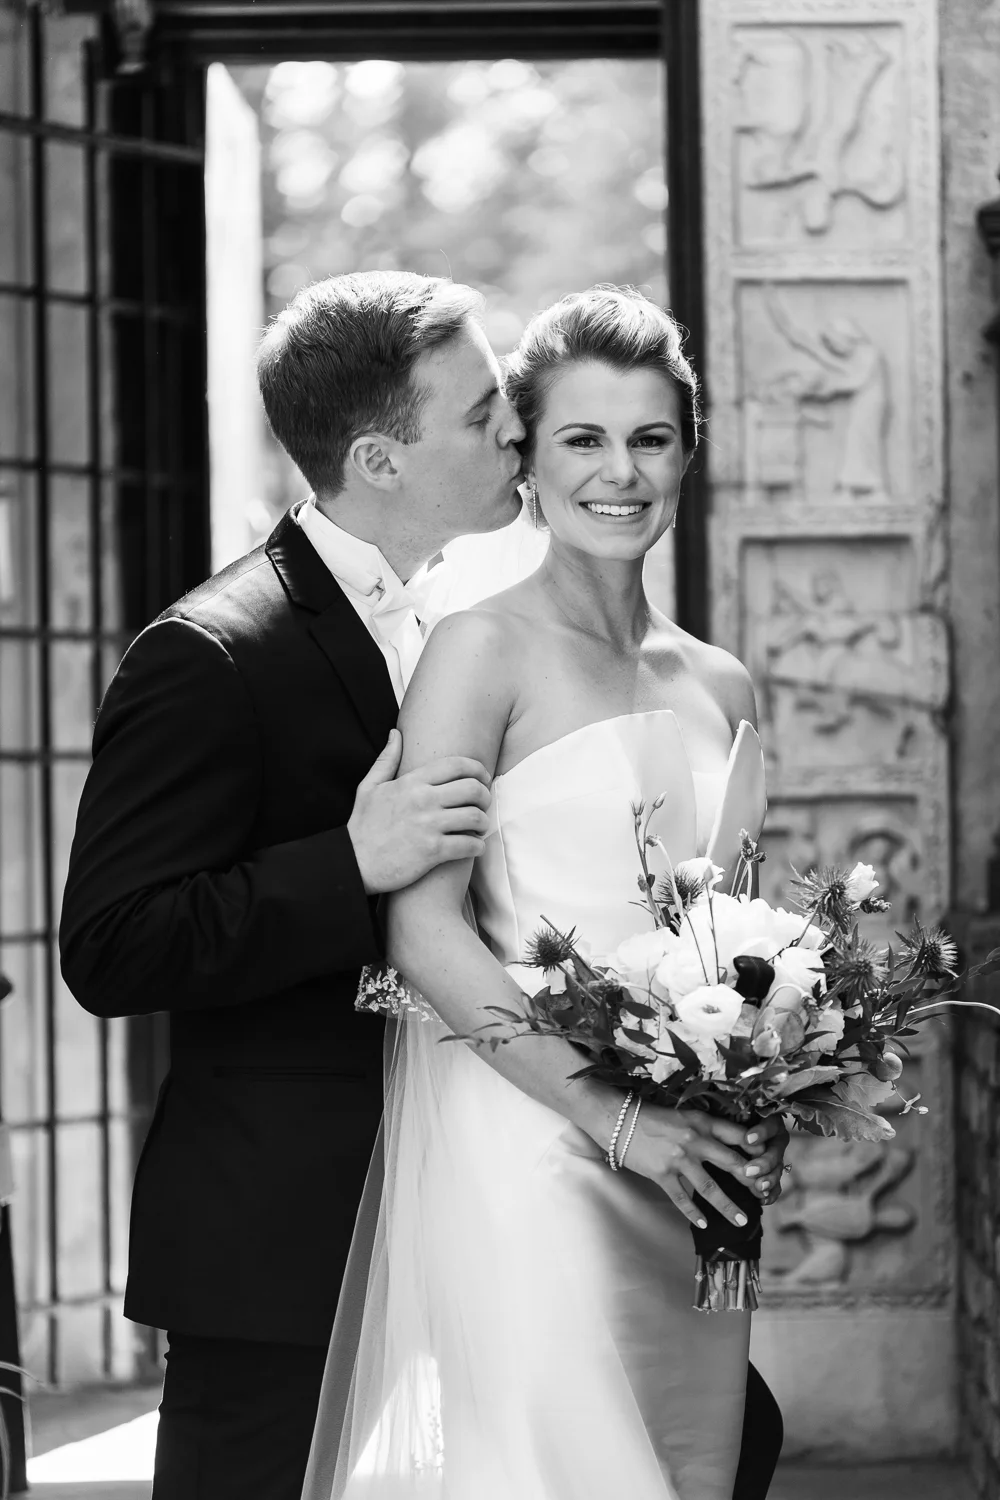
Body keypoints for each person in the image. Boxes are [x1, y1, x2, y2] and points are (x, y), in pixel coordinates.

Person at [301, 287, 786, 1500]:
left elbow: (742, 945)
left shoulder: (722, 684)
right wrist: (618, 1122)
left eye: (650, 438)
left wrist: (764, 1078)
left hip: (692, 1168)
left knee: (690, 1460)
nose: (619, 472)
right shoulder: (479, 651)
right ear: (528, 457)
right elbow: (421, 933)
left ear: (687, 453)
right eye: (581, 438)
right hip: (537, 1153)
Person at [59, 272, 523, 1500]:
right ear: (378, 458)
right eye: (482, 411)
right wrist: (349, 865)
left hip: (472, 1190)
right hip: (281, 1232)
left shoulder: (470, 623)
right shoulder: (210, 651)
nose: (515, 430)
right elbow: (112, 943)